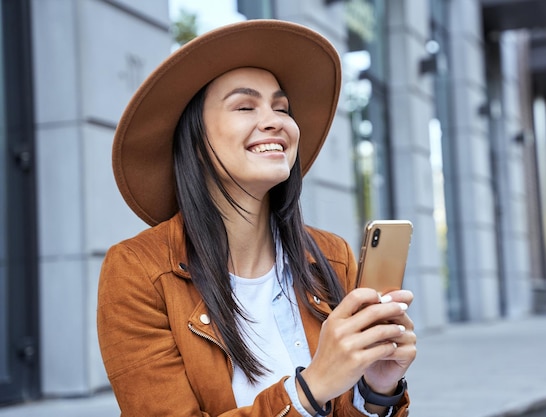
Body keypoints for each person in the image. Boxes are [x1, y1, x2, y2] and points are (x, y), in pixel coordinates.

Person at [97, 19, 416, 417]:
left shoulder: (332, 257)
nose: (276, 121)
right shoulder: (136, 271)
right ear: (194, 141)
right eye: (246, 106)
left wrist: (376, 391)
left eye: (281, 108)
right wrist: (310, 388)